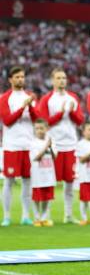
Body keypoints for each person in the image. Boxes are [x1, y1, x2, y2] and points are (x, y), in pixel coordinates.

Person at [37, 68, 85, 223]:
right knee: (49, 181)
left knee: (70, 183)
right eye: (58, 78)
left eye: (64, 78)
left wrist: (70, 112)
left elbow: (80, 121)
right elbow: (43, 123)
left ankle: (69, 215)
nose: (61, 81)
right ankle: (46, 215)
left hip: (71, 145)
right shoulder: (47, 99)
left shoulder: (73, 98)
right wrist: (60, 113)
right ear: (52, 80)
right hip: (53, 146)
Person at [0, 66, 37, 226]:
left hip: (28, 145)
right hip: (12, 146)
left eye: (22, 77)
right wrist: (23, 107)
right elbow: (7, 120)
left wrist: (31, 107)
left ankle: (25, 216)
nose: (20, 79)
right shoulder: (4, 98)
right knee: (9, 181)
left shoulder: (30, 97)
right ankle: (7, 216)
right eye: (17, 77)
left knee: (27, 181)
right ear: (10, 79)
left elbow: (38, 121)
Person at [29, 119, 56, 227]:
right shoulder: (33, 143)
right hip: (38, 176)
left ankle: (44, 218)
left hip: (49, 175)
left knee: (47, 198)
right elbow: (35, 157)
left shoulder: (51, 141)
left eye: (42, 128)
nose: (39, 130)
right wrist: (46, 147)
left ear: (47, 129)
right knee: (37, 198)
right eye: (37, 128)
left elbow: (55, 157)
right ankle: (36, 218)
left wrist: (50, 147)